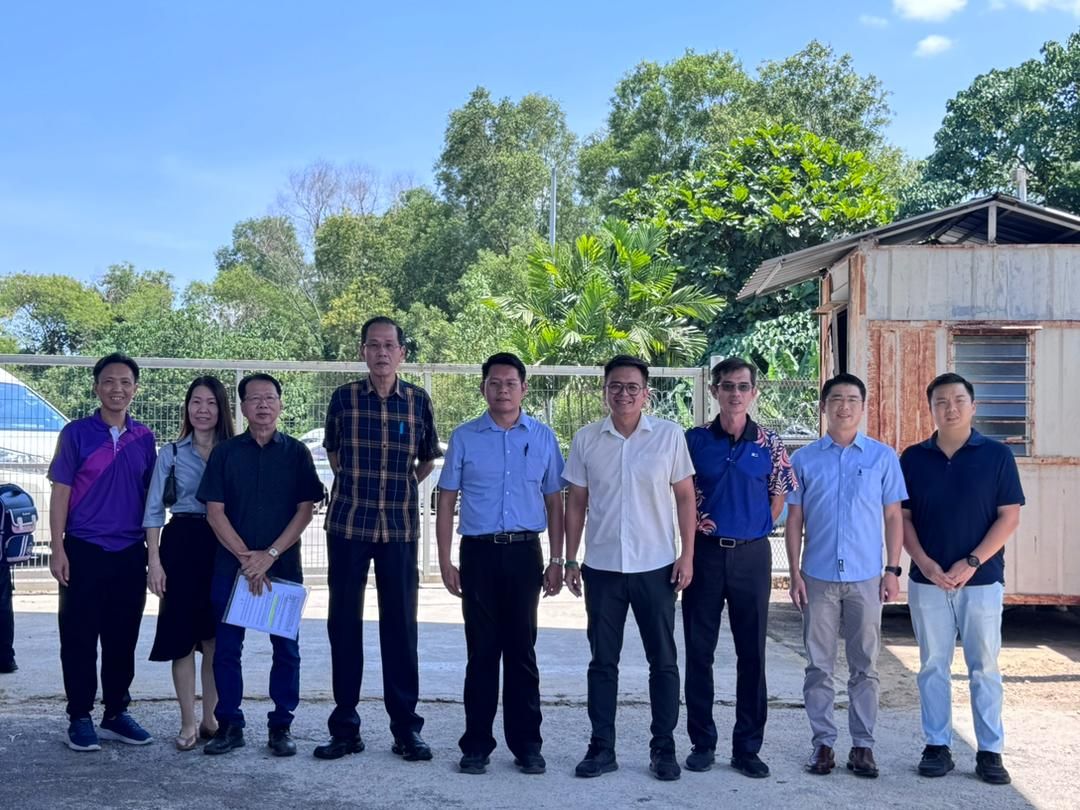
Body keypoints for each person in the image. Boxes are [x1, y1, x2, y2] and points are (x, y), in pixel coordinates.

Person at [563, 355, 697, 782]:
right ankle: (601, 747)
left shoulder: (669, 436)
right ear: (604, 391)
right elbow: (576, 503)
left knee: (664, 661)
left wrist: (687, 554)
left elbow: (685, 498)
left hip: (656, 567)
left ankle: (664, 748)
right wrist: (570, 558)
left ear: (646, 394)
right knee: (603, 662)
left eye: (632, 387)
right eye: (615, 386)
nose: (624, 394)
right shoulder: (586, 439)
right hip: (602, 568)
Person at [315, 316, 442, 762]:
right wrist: (361, 487)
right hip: (349, 526)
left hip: (400, 529)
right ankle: (345, 727)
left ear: (402, 353)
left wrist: (398, 486)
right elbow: (334, 455)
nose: (382, 352)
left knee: (401, 628)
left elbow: (427, 460)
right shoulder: (344, 399)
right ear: (362, 351)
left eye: (390, 345)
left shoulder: (418, 401)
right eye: (374, 345)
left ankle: (406, 729)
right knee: (344, 625)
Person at [436, 352, 565, 776]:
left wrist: (557, 559)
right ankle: (476, 744)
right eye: (495, 382)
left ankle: (527, 745)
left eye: (511, 383)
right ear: (483, 388)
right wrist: (444, 560)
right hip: (479, 554)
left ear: (524, 388)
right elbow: (447, 500)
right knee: (482, 651)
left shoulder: (543, 437)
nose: (503, 390)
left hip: (525, 553)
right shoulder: (465, 437)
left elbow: (555, 501)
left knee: (522, 651)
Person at [900, 373, 1024, 785]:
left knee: (984, 667)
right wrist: (925, 563)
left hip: (982, 580)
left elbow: (1009, 517)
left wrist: (971, 562)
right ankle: (937, 745)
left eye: (957, 400)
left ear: (973, 406)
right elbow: (903, 519)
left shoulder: (996, 456)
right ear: (930, 409)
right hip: (927, 581)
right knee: (932, 665)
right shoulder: (913, 458)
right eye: (941, 401)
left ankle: (990, 751)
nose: (950, 408)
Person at [784, 373, 906, 779]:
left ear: (863, 406)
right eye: (836, 398)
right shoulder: (803, 460)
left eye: (852, 399)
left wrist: (892, 570)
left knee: (865, 665)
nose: (844, 406)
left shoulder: (882, 457)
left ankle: (863, 746)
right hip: (817, 576)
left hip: (866, 577)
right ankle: (822, 743)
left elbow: (893, 516)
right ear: (824, 406)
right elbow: (795, 519)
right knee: (818, 665)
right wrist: (795, 573)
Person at [197, 373, 324, 757]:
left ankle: (281, 725)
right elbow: (214, 512)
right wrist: (246, 559)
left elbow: (306, 510)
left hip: (282, 567)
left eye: (270, 398)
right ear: (243, 407)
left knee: (286, 649)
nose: (263, 405)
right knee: (226, 649)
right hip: (231, 568)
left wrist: (269, 555)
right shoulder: (225, 453)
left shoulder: (297, 453)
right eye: (254, 399)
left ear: (280, 404)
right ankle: (229, 724)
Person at [682, 357, 796, 778]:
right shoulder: (693, 440)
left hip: (752, 556)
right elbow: (681, 497)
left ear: (754, 392)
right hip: (705, 554)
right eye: (727, 385)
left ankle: (747, 748)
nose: (735, 393)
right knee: (699, 651)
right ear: (714, 391)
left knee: (752, 654)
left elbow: (778, 497)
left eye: (742, 386)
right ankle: (702, 743)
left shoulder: (770, 443)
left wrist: (751, 526)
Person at [47, 353, 158, 751]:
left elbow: (151, 500)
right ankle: (79, 716)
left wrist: (153, 555)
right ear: (96, 387)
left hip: (129, 552)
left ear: (135, 389)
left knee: (122, 638)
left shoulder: (144, 438)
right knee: (78, 637)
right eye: (109, 381)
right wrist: (57, 547)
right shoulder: (75, 434)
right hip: (83, 550)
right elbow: (60, 493)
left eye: (125, 382)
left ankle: (115, 713)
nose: (117, 389)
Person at [143, 376, 234, 750]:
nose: (202, 410)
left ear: (221, 409)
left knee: (214, 639)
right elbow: (153, 510)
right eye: (196, 402)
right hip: (181, 543)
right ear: (187, 407)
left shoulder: (234, 452)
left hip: (222, 545)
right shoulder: (172, 453)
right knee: (181, 638)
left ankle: (211, 718)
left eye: (210, 403)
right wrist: (154, 561)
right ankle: (186, 722)